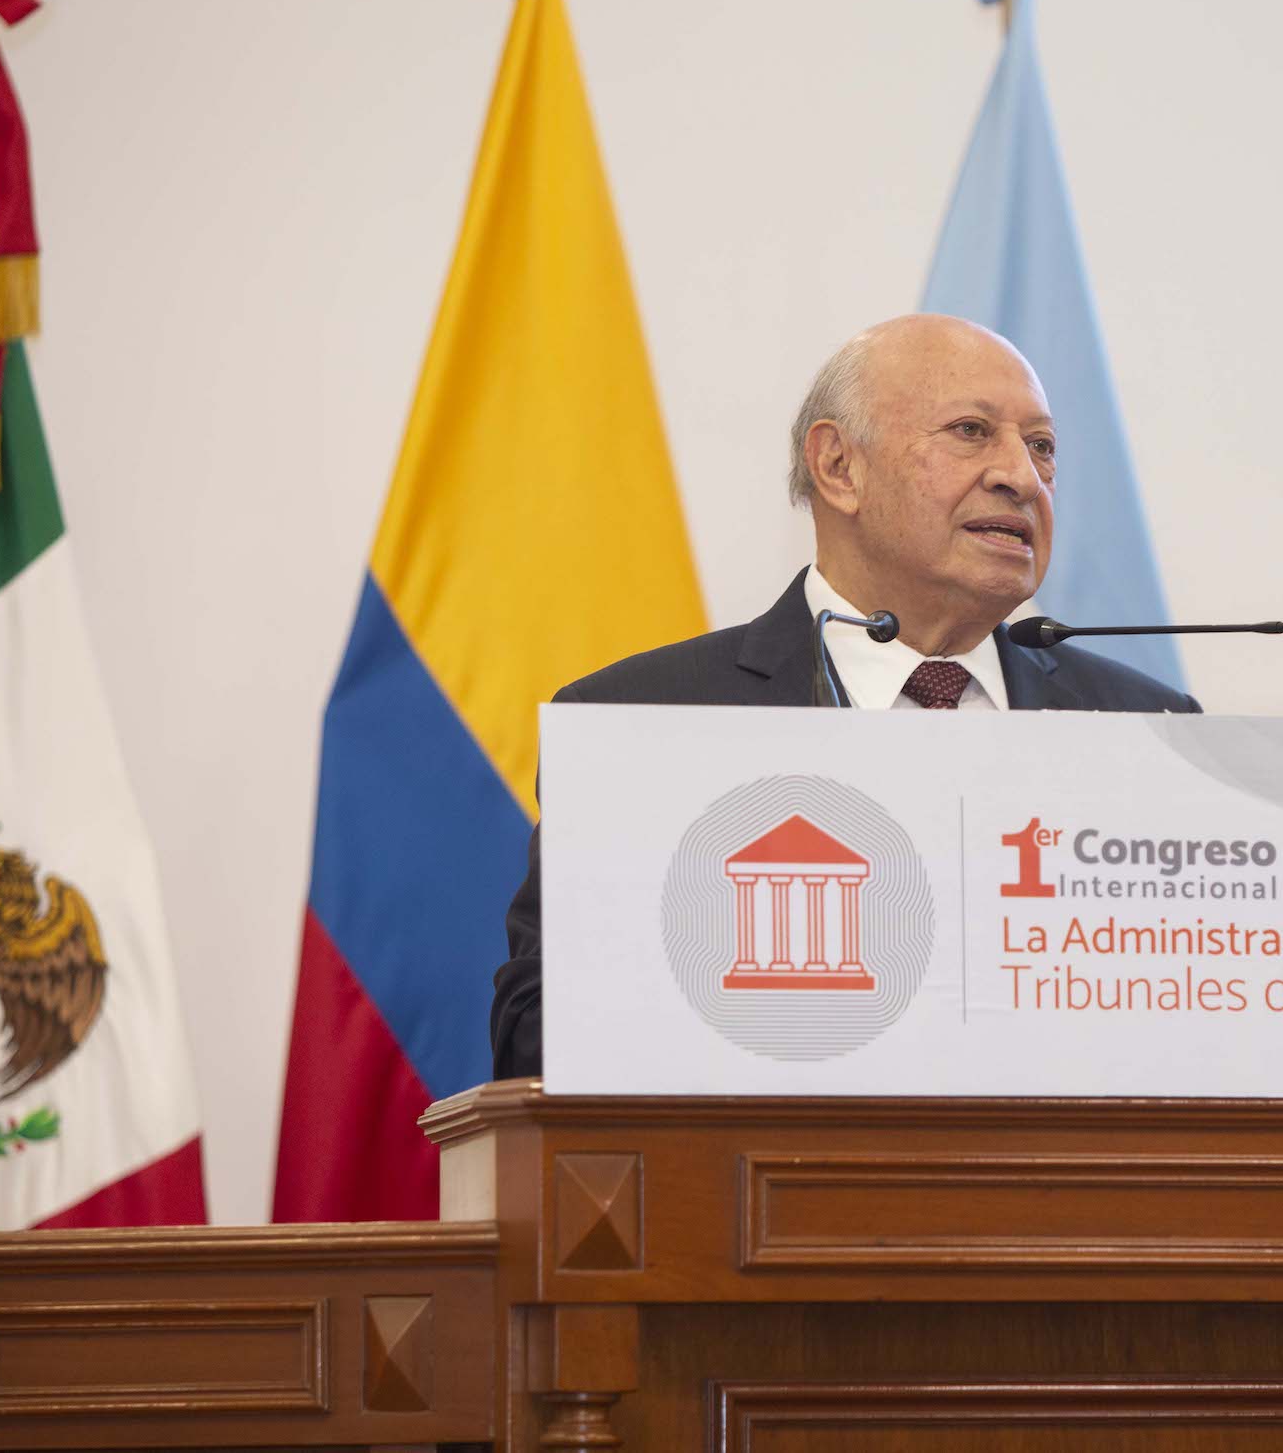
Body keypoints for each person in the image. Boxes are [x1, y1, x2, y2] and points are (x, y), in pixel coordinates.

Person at [490, 314, 1198, 1078]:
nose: (1021, 477)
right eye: (970, 430)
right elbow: (537, 1040)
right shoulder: (639, 723)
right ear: (838, 467)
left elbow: (1207, 1024)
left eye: (1042, 446)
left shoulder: (1148, 733)